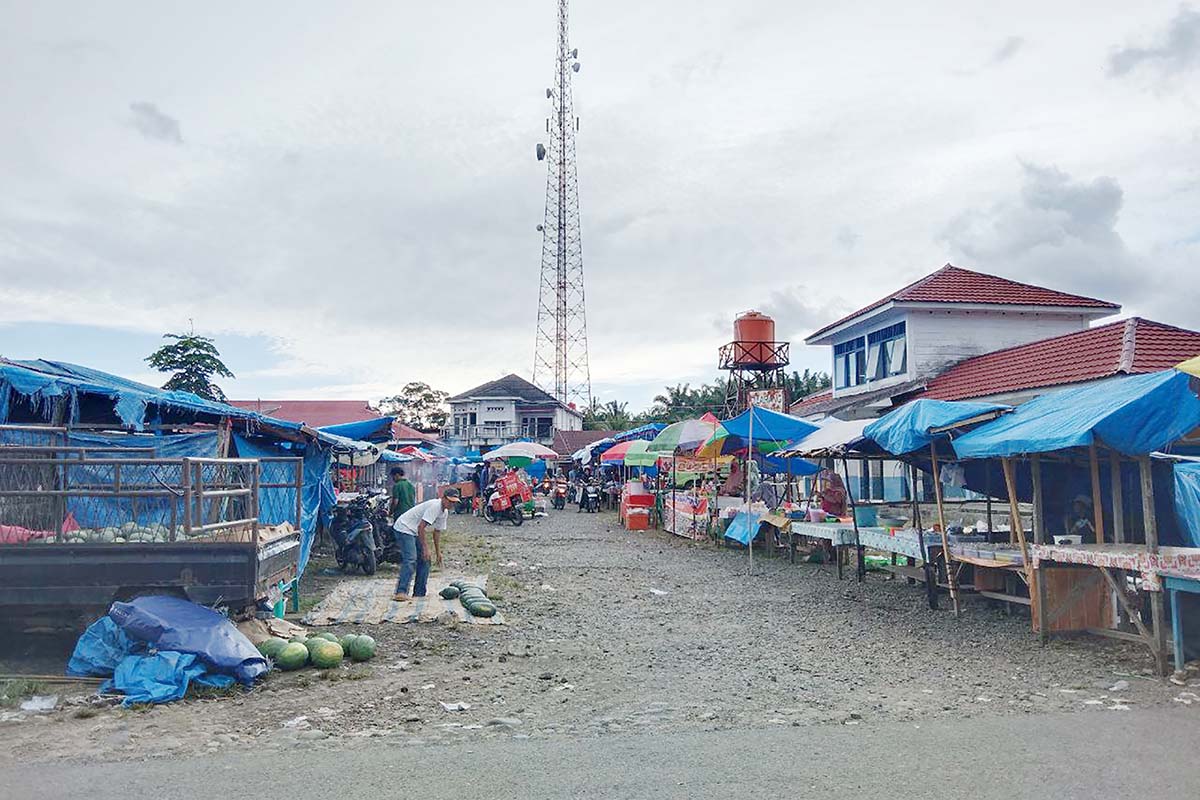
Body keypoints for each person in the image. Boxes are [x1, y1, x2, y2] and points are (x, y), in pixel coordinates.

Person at [393, 488, 460, 601]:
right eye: (450, 501)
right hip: (404, 527)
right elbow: (421, 527)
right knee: (411, 559)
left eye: (454, 502)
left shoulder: (444, 513)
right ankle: (401, 591)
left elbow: (437, 532)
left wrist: (438, 552)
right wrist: (425, 548)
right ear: (443, 498)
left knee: (426, 560)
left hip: (414, 530)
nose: (452, 504)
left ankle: (419, 592)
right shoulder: (435, 506)